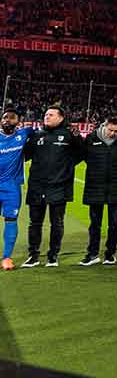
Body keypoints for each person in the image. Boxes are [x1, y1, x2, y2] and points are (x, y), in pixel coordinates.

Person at [22, 105, 83, 268]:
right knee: (34, 223)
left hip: (59, 186)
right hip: (37, 185)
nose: (46, 117)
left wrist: (65, 169)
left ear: (61, 118)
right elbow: (25, 156)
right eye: (45, 115)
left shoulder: (69, 135)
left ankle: (53, 256)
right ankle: (33, 255)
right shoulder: (37, 135)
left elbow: (81, 154)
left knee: (57, 222)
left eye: (50, 115)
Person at [80, 115, 117, 266]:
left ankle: (110, 254)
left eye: (116, 131)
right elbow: (83, 156)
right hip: (95, 186)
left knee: (114, 223)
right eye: (110, 130)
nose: (113, 133)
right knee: (95, 223)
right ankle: (93, 254)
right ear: (104, 126)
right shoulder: (91, 138)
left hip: (116, 186)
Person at [0, 108, 32, 271]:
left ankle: (6, 257)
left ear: (18, 122)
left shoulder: (24, 134)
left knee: (10, 220)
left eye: (11, 118)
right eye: (5, 117)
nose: (7, 120)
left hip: (11, 188)